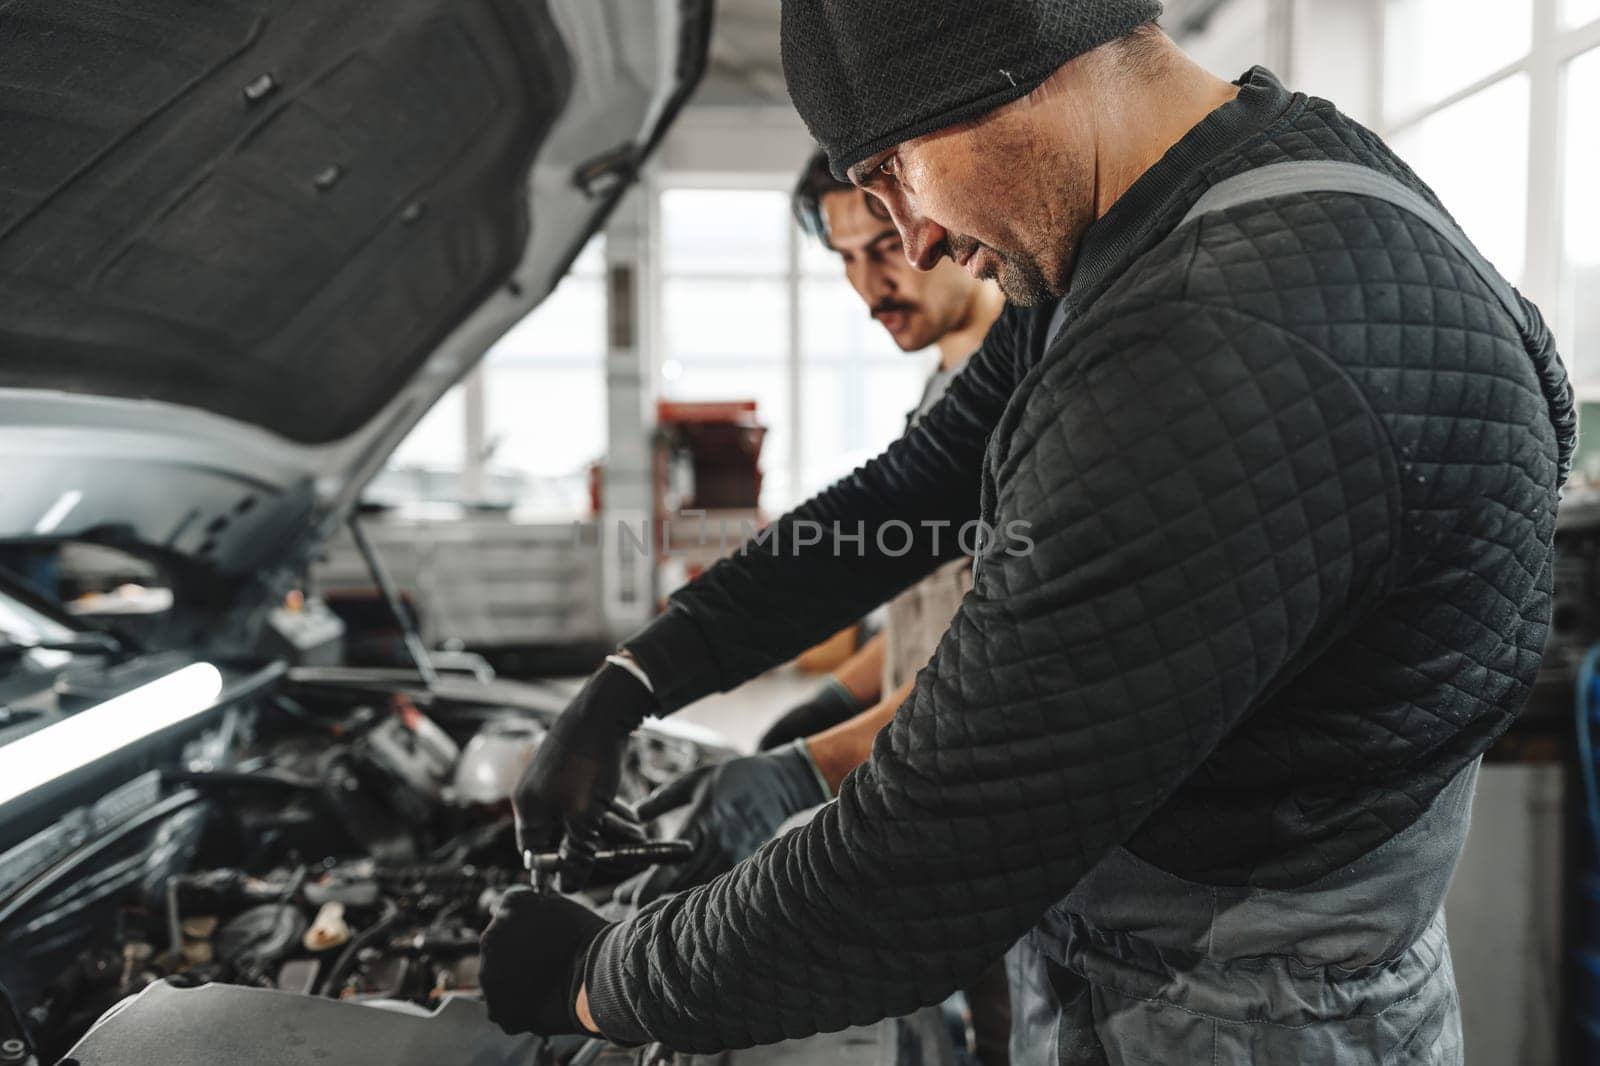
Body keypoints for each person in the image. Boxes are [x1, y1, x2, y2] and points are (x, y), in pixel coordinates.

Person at [481, 4, 1575, 1064]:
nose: (911, 236)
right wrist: (636, 676)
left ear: (1005, 75)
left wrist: (597, 976)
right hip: (1207, 966)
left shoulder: (1205, 346)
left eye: (893, 171)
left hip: (1235, 1021)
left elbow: (914, 875)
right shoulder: (1214, 194)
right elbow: (907, 492)